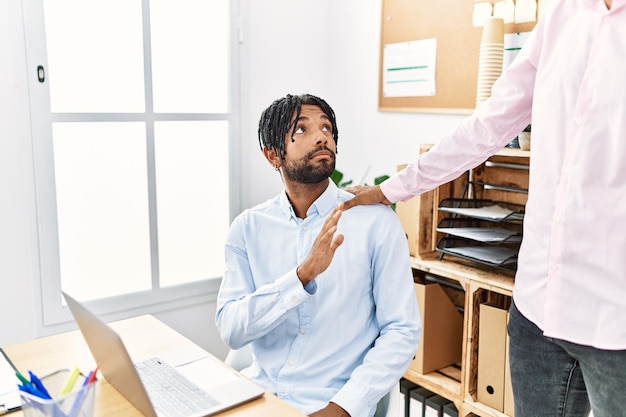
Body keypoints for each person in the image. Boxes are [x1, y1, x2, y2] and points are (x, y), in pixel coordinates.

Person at [341, 0, 626, 416]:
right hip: (537, 309)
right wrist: (393, 189)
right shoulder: (563, 14)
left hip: (614, 320)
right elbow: (489, 123)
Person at [215, 93, 421, 417]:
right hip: (259, 398)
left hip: (332, 404)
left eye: (327, 128)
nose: (322, 136)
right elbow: (231, 329)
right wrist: (300, 278)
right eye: (301, 130)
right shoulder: (247, 229)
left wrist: (341, 408)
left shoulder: (376, 223)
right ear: (272, 155)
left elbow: (402, 331)